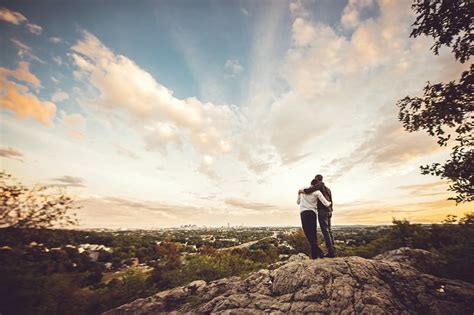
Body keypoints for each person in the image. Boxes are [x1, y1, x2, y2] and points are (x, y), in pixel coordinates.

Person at [299, 174, 336, 257]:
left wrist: (301, 191)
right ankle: (332, 250)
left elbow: (309, 190)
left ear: (317, 180)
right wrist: (330, 208)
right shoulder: (328, 189)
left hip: (322, 211)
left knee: (325, 231)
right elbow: (330, 200)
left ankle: (331, 252)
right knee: (329, 230)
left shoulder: (319, 185)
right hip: (329, 211)